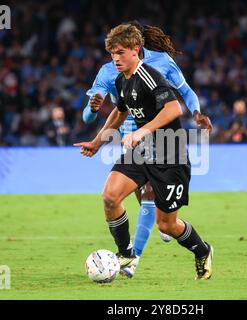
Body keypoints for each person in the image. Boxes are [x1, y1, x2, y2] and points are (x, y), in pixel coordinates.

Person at [74, 24, 213, 280]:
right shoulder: (121, 79)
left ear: (136, 50)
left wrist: (141, 131)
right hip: (142, 152)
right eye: (112, 53)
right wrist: (97, 142)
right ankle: (126, 253)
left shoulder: (150, 76)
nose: (116, 58)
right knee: (110, 197)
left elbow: (173, 109)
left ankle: (203, 250)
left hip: (170, 155)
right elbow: (120, 112)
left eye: (121, 52)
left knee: (167, 225)